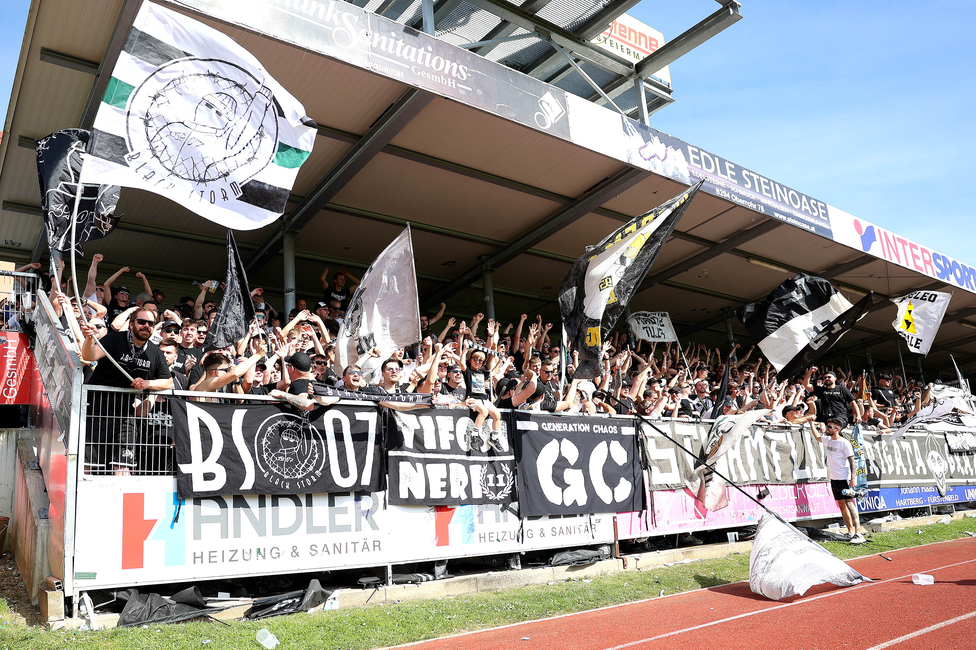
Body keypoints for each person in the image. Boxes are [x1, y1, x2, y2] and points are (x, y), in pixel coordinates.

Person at [79, 308, 173, 474]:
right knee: (89, 464)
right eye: (141, 322)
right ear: (131, 324)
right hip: (97, 407)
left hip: (125, 412)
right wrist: (88, 338)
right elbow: (90, 356)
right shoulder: (115, 338)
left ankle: (122, 497)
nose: (146, 326)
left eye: (150, 323)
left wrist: (147, 383)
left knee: (123, 465)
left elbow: (168, 383)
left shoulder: (155, 352)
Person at [810, 418, 865, 544]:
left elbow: (852, 462)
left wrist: (853, 478)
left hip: (844, 478)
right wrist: (811, 423)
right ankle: (850, 531)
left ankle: (858, 532)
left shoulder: (844, 443)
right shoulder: (828, 440)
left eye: (830, 427)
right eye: (827, 426)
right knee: (841, 504)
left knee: (850, 503)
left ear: (837, 429)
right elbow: (818, 437)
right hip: (834, 478)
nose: (827, 429)